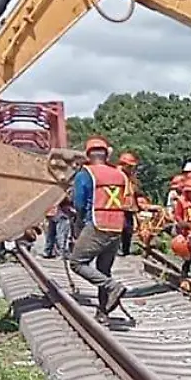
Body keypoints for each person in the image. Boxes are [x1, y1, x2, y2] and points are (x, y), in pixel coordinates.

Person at [66, 137, 129, 324]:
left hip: (96, 224)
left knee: (77, 262)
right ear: (106, 154)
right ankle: (103, 312)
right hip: (117, 226)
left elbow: (79, 203)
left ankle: (112, 287)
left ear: (88, 155)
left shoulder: (85, 174)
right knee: (104, 269)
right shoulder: (120, 175)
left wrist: (78, 225)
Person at [117, 151, 142, 255]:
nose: (132, 169)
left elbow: (133, 192)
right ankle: (120, 249)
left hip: (129, 207)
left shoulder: (130, 177)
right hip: (120, 207)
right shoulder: (118, 175)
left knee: (128, 229)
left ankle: (125, 249)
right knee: (122, 228)